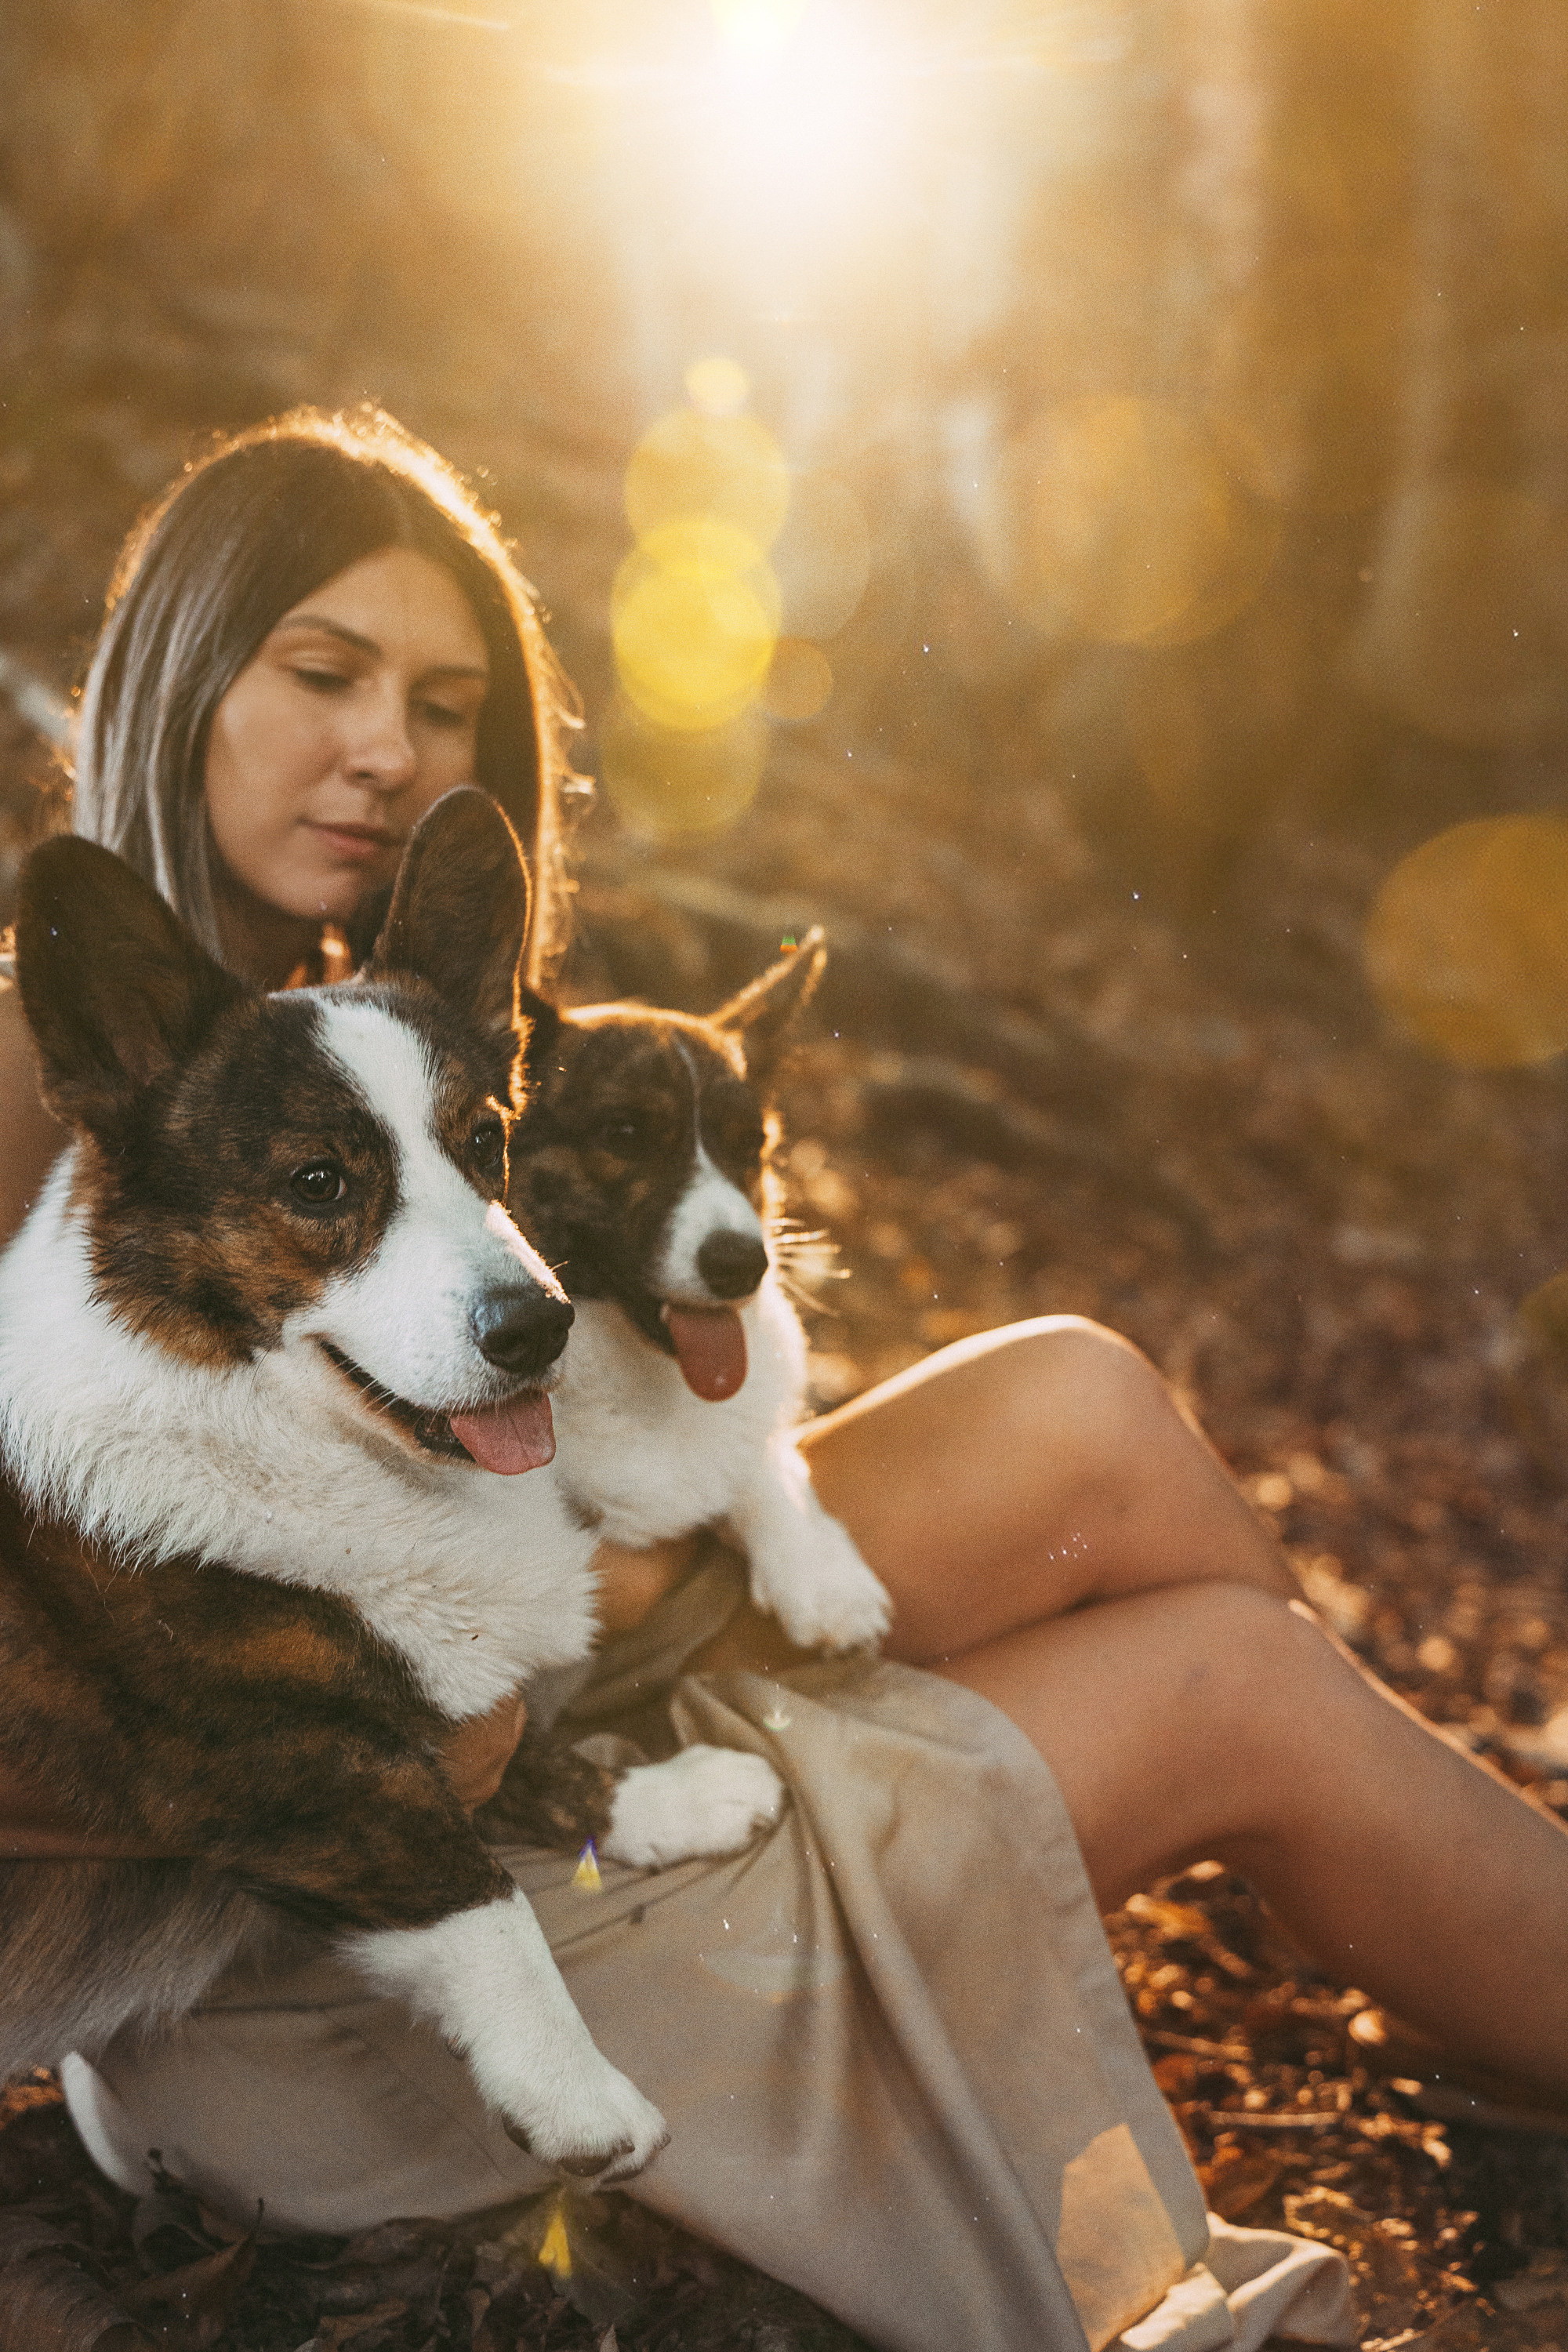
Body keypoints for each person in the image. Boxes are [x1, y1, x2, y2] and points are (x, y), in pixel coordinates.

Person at [0, 406, 1563, 2352]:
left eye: (446, 700)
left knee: (1089, 1414)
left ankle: (1465, 1994)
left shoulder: (379, 1046)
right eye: (321, 674)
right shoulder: (48, 1099)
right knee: (1233, 1682)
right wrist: (403, 1679)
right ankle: (1457, 1972)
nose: (388, 748)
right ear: (177, 676)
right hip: (339, 1969)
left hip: (545, 1755)